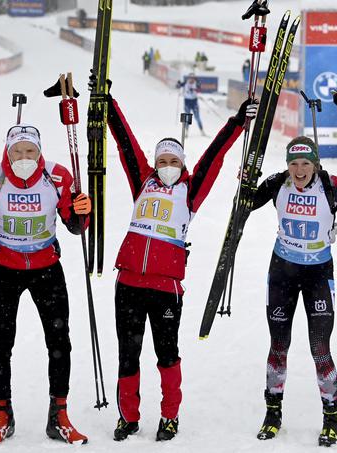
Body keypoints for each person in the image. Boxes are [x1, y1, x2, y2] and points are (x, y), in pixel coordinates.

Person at [101, 74, 258, 442]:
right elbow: (126, 143)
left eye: (174, 160)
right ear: (155, 164)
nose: (167, 164)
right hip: (128, 282)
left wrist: (237, 123)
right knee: (128, 352)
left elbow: (214, 157)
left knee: (166, 354)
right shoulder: (143, 179)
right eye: (162, 160)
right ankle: (129, 417)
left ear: (182, 163)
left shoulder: (190, 189)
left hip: (165, 287)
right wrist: (107, 104)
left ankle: (169, 416)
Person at [0, 124, 92, 446]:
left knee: (59, 342)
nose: (23, 157)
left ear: (39, 152)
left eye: (30, 151)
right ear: (7, 152)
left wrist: (83, 213)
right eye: (17, 151)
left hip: (46, 269)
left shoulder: (57, 177)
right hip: (3, 270)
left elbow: (74, 225)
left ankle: (59, 416)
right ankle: (3, 415)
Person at [248, 136, 337, 446]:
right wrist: (245, 184)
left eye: (305, 164)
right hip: (282, 272)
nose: (299, 171)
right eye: (293, 164)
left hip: (318, 275)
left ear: (315, 164)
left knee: (320, 348)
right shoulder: (277, 183)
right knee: (278, 345)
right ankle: (272, 413)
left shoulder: (331, 185)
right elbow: (244, 205)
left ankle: (331, 417)